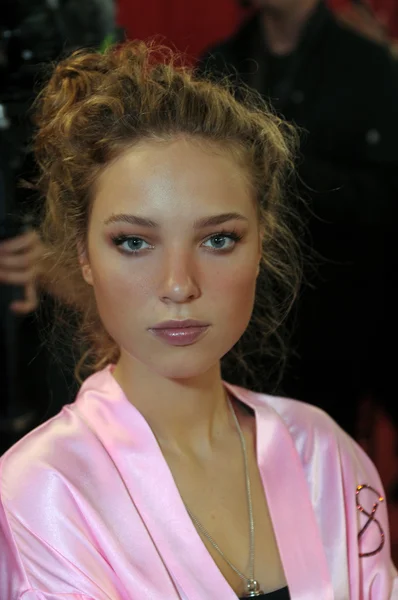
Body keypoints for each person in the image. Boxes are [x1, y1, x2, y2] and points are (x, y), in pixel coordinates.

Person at [0, 41, 396, 599]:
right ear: (85, 257)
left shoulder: (324, 454)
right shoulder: (44, 490)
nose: (179, 285)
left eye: (218, 239)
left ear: (261, 245)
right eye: (134, 241)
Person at [199, 0, 398, 438]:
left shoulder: (367, 65)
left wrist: (281, 167)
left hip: (337, 322)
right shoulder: (221, 62)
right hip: (240, 322)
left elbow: (382, 199)